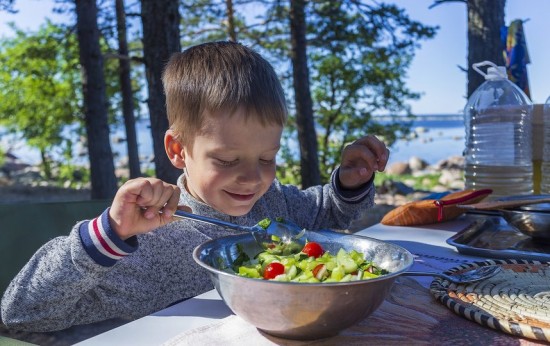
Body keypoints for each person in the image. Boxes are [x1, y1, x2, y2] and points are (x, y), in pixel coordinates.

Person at [1, 41, 389, 332]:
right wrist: (110, 235)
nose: (253, 178)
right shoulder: (146, 242)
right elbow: (21, 312)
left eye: (267, 158)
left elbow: (330, 213)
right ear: (178, 150)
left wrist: (349, 183)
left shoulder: (274, 206)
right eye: (226, 160)